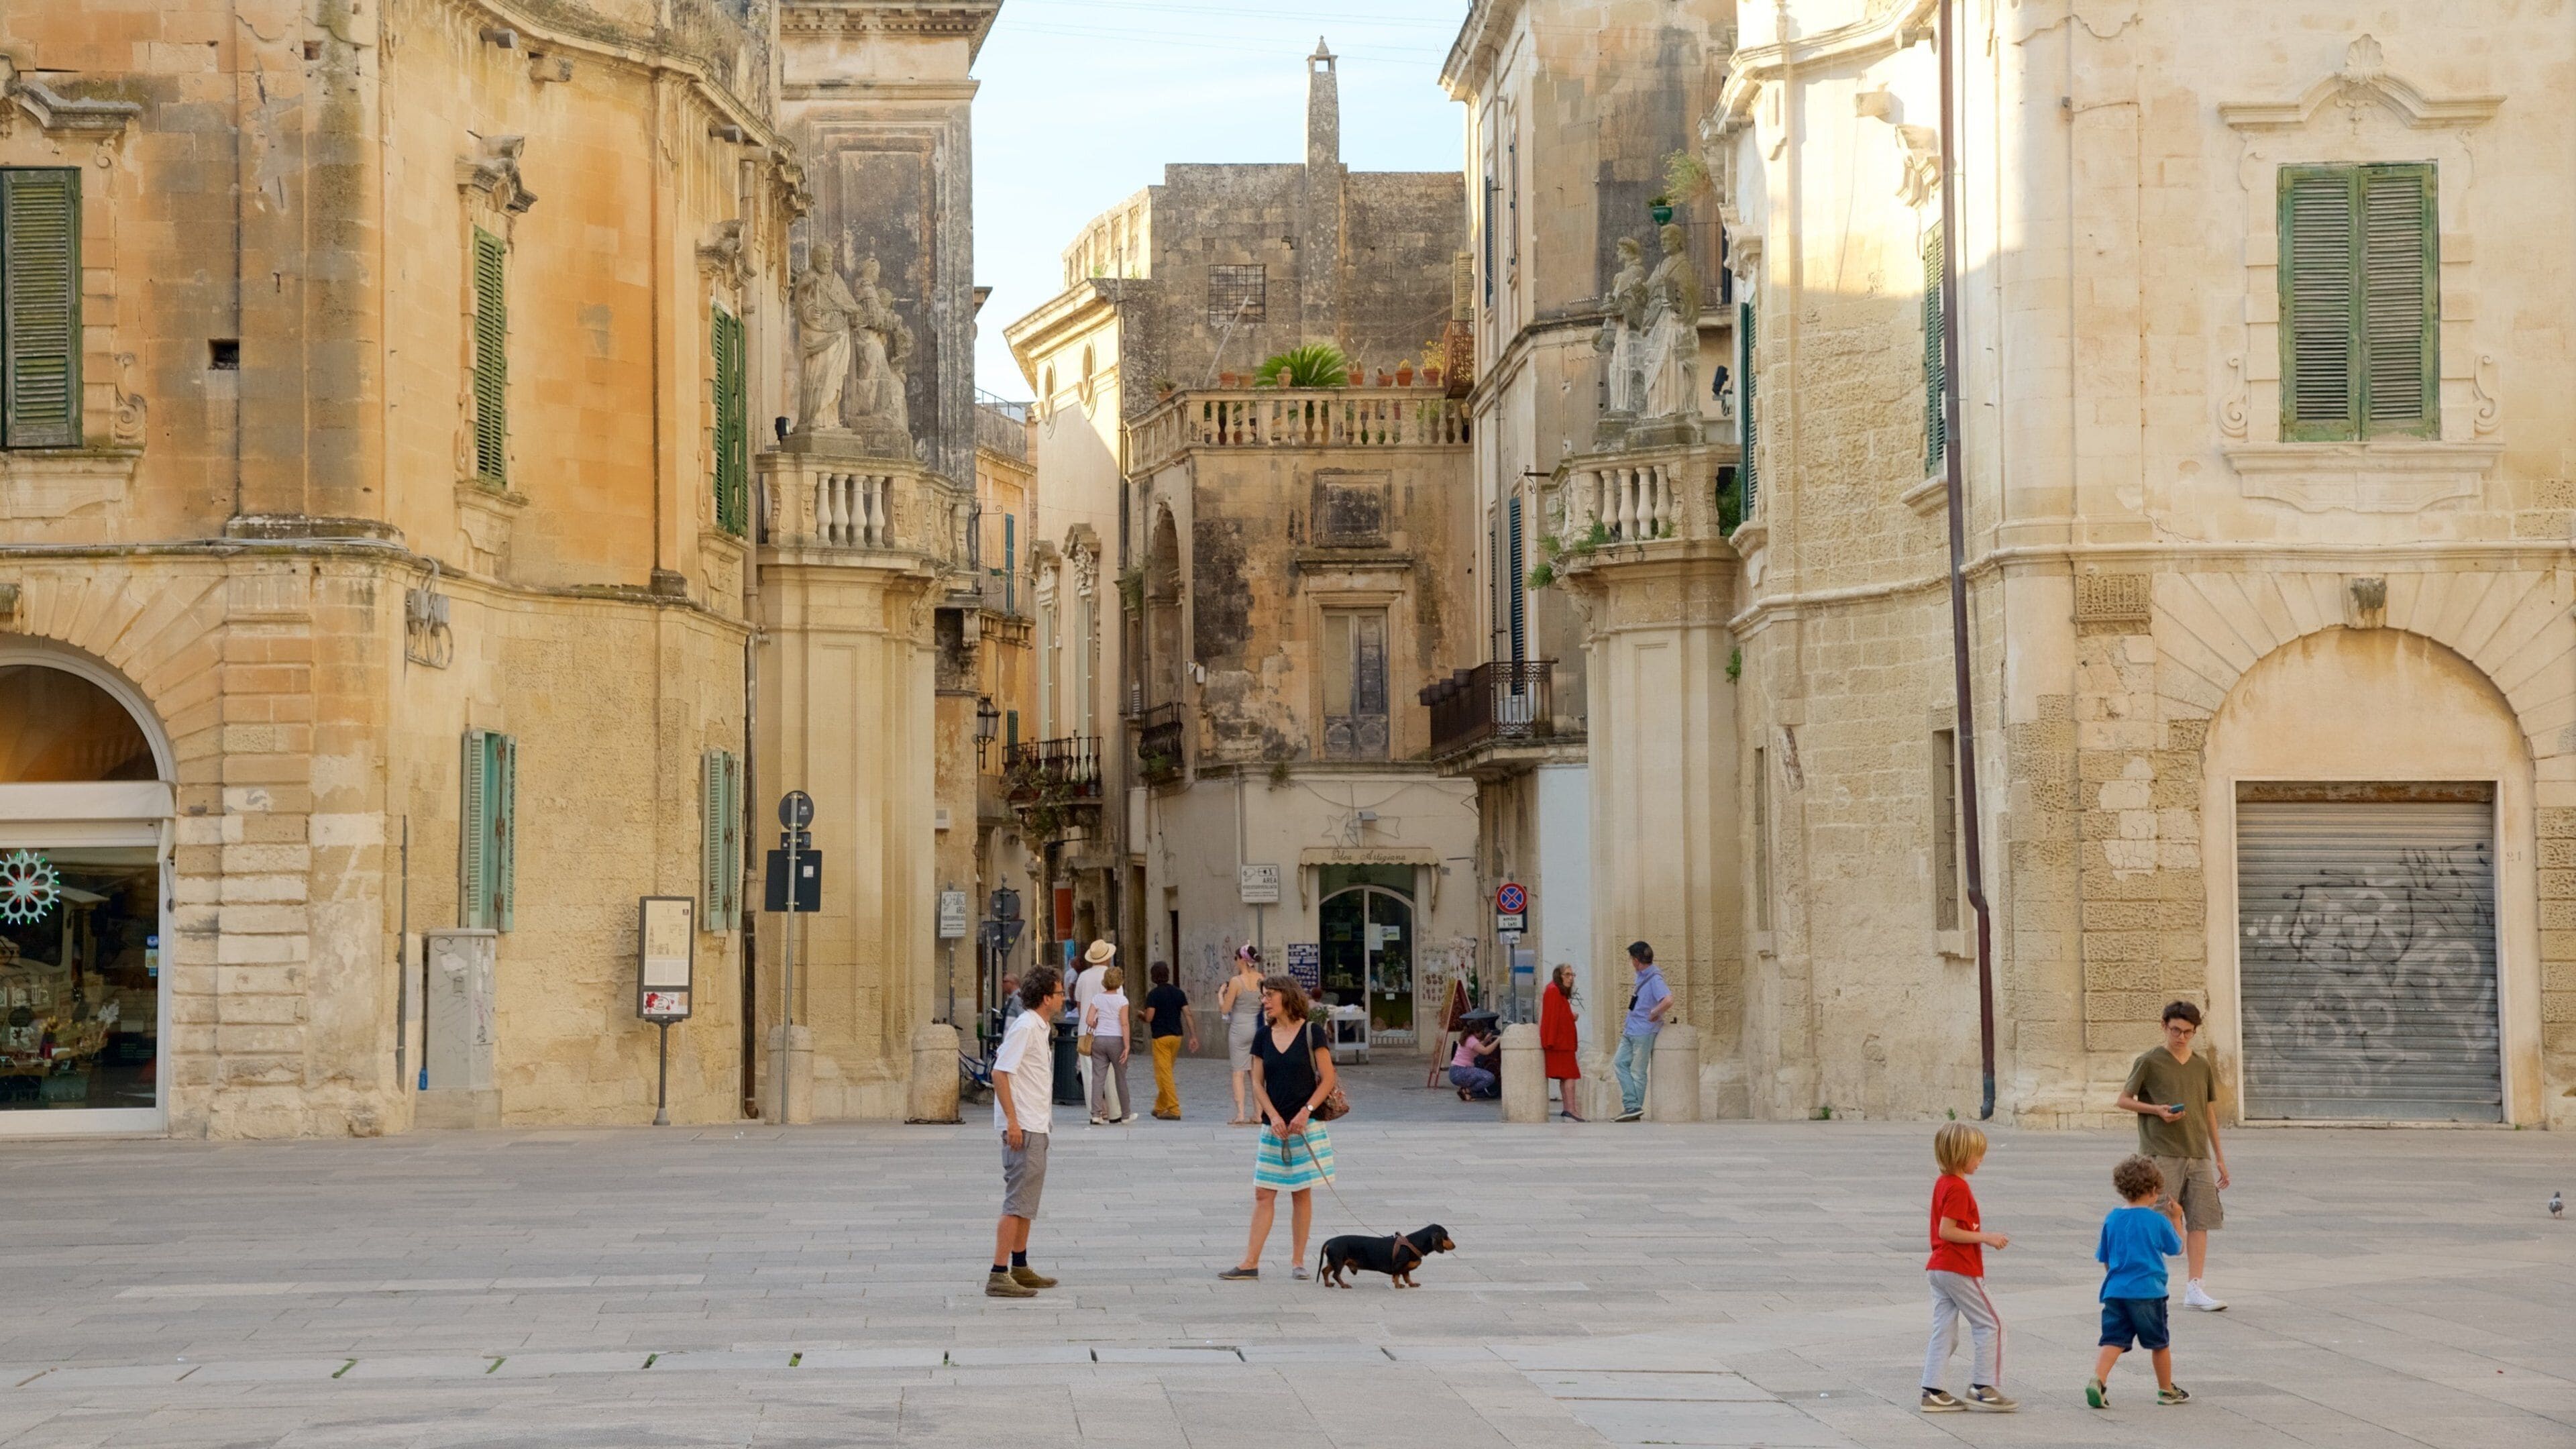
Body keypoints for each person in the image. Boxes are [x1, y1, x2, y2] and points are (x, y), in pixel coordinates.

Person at [1220, 975, 1338, 1281]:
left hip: (1305, 1125)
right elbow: (1257, 1083)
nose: (1265, 1001)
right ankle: (1250, 1263)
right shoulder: (1262, 1036)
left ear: (1287, 996)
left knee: (1301, 1192)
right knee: (1263, 1193)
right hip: (1274, 1127)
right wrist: (1272, 1116)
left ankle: (1298, 1262)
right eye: (1263, 995)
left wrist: (1306, 1112)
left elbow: (1328, 1078)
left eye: (1270, 995)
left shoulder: (1312, 1032)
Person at [2114, 999, 2229, 1311]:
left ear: (2195, 1032)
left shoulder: (2201, 1065)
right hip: (2161, 1153)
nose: (2181, 1037)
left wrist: (2219, 1156)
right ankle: (2144, 1284)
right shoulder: (2149, 1061)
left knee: (2200, 1220)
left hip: (2198, 1153)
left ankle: (2195, 1287)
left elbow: (2208, 1111)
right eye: (2175, 1030)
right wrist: (2157, 1111)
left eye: (2188, 1032)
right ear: (2164, 1026)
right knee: (2154, 1219)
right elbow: (2123, 1100)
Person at [1920, 1122, 2016, 1413]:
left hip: (1939, 1268)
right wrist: (1987, 1237)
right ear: (1962, 1156)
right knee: (1992, 1323)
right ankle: (1983, 1387)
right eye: (1977, 1154)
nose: (1981, 1159)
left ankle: (1933, 1391)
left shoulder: (1943, 1183)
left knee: (1945, 1330)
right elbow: (1947, 1231)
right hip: (1958, 1266)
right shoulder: (1958, 1188)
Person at [2088, 1155, 2189, 1409]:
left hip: (2115, 1292)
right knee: (2159, 1343)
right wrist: (2176, 1219)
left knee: (2114, 1339)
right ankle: (2166, 1390)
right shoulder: (2157, 1221)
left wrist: (2116, 1278)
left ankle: (2098, 1380)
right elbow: (2177, 1248)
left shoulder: (2112, 1219)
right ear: (2154, 1190)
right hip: (2148, 1293)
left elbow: (2106, 1258)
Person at [986, 972, 1063, 1298]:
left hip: (1036, 1125)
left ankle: (1019, 1266)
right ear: (1046, 998)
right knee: (1017, 1202)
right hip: (1024, 1127)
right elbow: (1000, 1073)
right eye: (1059, 993)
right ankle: (998, 1273)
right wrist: (1013, 1123)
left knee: (1027, 1202)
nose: (1063, 998)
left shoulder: (1039, 1028)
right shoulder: (1026, 1027)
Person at [1613, 941, 1672, 1122]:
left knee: (1638, 1071)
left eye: (1632, 959)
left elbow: (1668, 1000)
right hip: (1631, 1028)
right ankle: (1633, 1106)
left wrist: (1654, 1012)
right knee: (1619, 1063)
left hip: (1643, 1031)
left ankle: (1632, 1108)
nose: (1631, 962)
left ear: (1637, 960)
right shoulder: (1641, 976)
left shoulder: (1655, 978)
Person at [1218, 945, 1266, 1126]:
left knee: (1238, 1073)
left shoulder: (1236, 982)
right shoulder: (1262, 979)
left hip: (1239, 1029)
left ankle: (1240, 1114)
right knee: (1256, 1075)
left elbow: (1225, 1009)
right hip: (1258, 1028)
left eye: (1236, 958)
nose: (1235, 962)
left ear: (1242, 960)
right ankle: (1258, 1114)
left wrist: (1220, 995)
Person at [1143, 961, 1197, 1120]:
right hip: (1176, 1037)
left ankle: (1174, 1109)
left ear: (1153, 976)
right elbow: (1188, 1014)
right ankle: (1160, 1106)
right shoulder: (1178, 993)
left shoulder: (1153, 995)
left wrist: (1141, 1015)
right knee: (1166, 1071)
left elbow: (1149, 1017)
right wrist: (1193, 1035)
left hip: (1161, 1038)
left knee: (1164, 1074)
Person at [1084, 965, 1137, 1125]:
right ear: (1120, 982)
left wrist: (1097, 1024)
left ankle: (1096, 1114)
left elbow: (1089, 1020)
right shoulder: (1122, 1000)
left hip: (1100, 1040)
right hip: (1117, 1040)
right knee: (1120, 1078)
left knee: (1098, 1078)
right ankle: (1126, 1115)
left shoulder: (1097, 999)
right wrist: (1127, 1046)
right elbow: (1124, 1024)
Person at [1072, 940, 1114, 1108]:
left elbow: (1079, 1004)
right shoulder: (1111, 975)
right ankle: (1112, 1110)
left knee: (1089, 1072)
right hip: (1109, 1032)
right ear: (1107, 957)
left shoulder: (1083, 976)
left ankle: (1095, 1111)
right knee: (1110, 1073)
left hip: (1086, 1031)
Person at [1540, 963, 1585, 1120]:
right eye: (1567, 975)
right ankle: (1571, 1109)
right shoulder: (1554, 990)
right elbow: (1553, 1018)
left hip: (1560, 1042)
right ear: (1559, 976)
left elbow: (1558, 1014)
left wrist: (1570, 1016)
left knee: (1565, 1076)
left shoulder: (1555, 990)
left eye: (1572, 975)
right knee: (1570, 1075)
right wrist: (1551, 1041)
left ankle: (1568, 1108)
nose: (1571, 978)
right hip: (1560, 1043)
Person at [1448, 1022, 1501, 1100]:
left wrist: (1486, 1041)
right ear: (1476, 1032)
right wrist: (1498, 1040)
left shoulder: (1468, 1038)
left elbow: (1477, 1047)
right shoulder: (1472, 1040)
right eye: (1482, 1032)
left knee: (1483, 1075)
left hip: (1455, 1072)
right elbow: (1486, 1051)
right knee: (1489, 1077)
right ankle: (1467, 1091)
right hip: (1461, 1071)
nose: (1482, 1034)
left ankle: (1466, 1091)